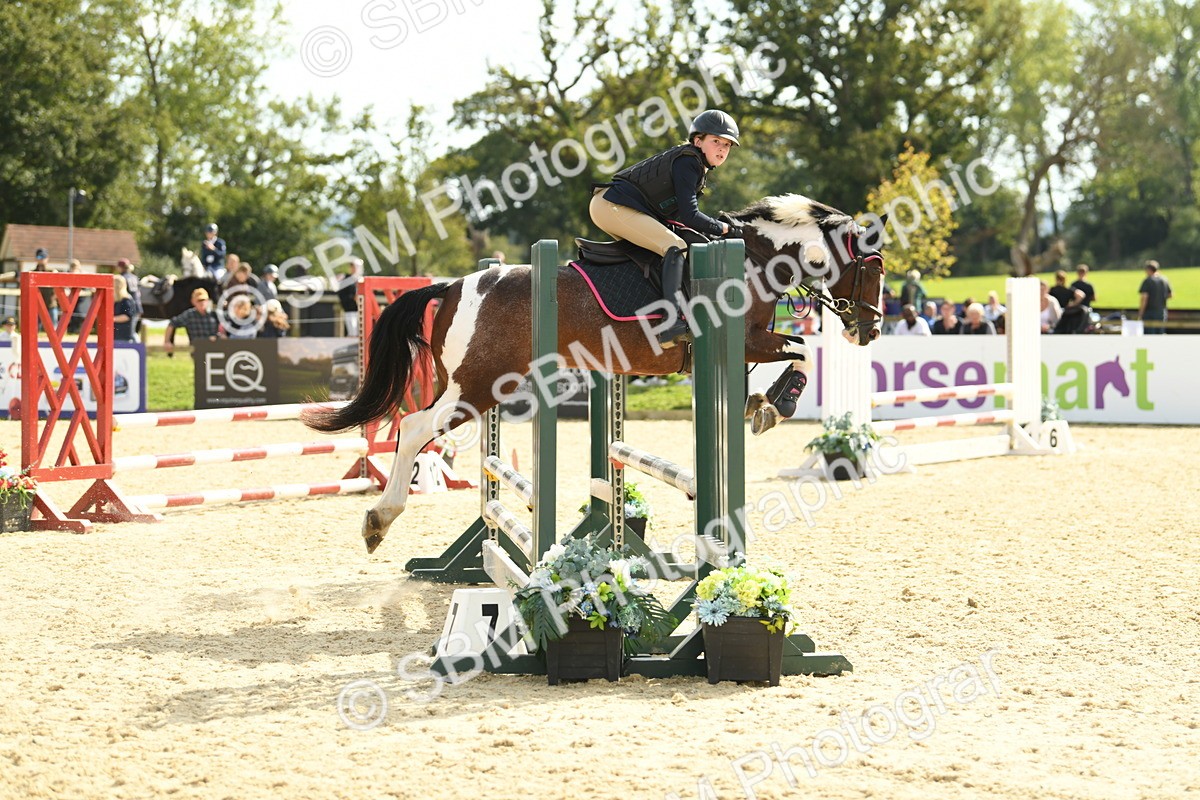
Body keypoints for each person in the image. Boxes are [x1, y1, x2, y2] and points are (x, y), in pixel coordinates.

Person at [589, 109, 740, 348]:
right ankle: (671, 322)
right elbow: (690, 216)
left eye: (727, 145)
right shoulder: (689, 161)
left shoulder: (693, 163)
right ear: (697, 141)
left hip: (614, 206)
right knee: (674, 246)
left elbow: (680, 218)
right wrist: (723, 228)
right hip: (613, 206)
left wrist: (712, 229)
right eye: (716, 141)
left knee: (665, 249)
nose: (722, 149)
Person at [164, 288, 220, 353]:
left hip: (214, 349)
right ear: (193, 302)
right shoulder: (189, 315)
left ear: (207, 300)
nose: (202, 303)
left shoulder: (214, 314)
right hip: (197, 350)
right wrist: (167, 341)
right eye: (199, 300)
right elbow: (172, 323)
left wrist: (220, 336)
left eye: (203, 300)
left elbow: (226, 323)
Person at [1138, 260, 1172, 334]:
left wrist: (1141, 313)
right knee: (1160, 334)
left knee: (1150, 335)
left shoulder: (1147, 281)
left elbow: (1144, 298)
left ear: (1149, 270)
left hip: (1149, 313)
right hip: (1161, 312)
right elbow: (1170, 295)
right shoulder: (1164, 280)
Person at [337, 258, 364, 337]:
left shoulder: (362, 280)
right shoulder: (346, 279)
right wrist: (353, 298)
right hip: (350, 310)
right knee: (352, 333)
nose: (354, 268)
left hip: (361, 311)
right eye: (352, 266)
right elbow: (342, 294)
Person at [32, 248, 58, 329]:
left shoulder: (53, 272)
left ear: (47, 258)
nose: (42, 259)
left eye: (44, 257)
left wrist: (55, 296)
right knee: (34, 329)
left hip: (51, 304)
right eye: (40, 257)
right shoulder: (32, 273)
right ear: (36, 258)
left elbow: (59, 287)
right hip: (37, 305)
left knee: (54, 330)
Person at [115, 259, 142, 339]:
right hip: (137, 306)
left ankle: (137, 347)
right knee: (133, 331)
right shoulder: (135, 277)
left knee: (130, 333)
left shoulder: (121, 278)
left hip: (126, 305)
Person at [113, 276, 137, 343]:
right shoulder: (117, 300)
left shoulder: (126, 300)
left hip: (124, 337)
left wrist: (111, 319)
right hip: (116, 336)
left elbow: (127, 316)